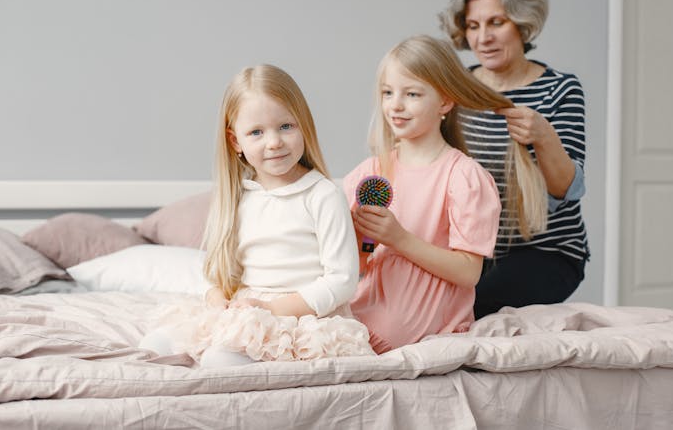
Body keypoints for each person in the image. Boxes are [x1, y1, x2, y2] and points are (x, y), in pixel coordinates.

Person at [139, 64, 374, 366]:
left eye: (286, 126)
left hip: (298, 317)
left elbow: (342, 281)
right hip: (246, 310)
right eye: (256, 132)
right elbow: (216, 271)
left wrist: (271, 308)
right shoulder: (239, 197)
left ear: (304, 125)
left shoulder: (322, 195)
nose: (273, 142)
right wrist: (215, 297)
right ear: (236, 142)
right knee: (155, 346)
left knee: (219, 361)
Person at [344, 35, 547, 353]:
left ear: (445, 102)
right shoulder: (370, 172)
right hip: (365, 312)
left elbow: (468, 272)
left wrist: (399, 238)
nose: (395, 105)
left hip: (424, 323)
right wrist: (362, 240)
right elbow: (359, 261)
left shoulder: (464, 177)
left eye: (411, 94)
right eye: (388, 93)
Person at [439, 0, 590, 319]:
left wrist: (544, 136)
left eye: (496, 23)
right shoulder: (457, 89)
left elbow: (565, 188)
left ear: (522, 25)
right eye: (473, 26)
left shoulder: (560, 89)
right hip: (473, 250)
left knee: (471, 310)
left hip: (547, 251)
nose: (483, 38)